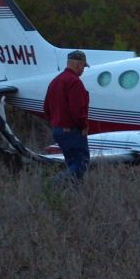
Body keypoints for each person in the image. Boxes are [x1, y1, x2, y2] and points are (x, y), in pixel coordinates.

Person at [43, 50, 90, 185]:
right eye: (83, 67)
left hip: (58, 131)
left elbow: (46, 108)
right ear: (79, 65)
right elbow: (77, 110)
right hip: (72, 132)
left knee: (72, 165)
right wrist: (84, 126)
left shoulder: (55, 81)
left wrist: (57, 122)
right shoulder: (75, 82)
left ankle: (71, 195)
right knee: (81, 164)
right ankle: (51, 185)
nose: (83, 70)